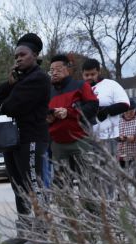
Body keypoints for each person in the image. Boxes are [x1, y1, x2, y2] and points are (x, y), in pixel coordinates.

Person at [0, 33, 51, 244]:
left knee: (34, 184)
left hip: (32, 138)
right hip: (14, 140)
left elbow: (9, 107)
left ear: (34, 55)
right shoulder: (19, 80)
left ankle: (43, 233)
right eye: (16, 56)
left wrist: (5, 101)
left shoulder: (39, 78)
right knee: (18, 186)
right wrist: (8, 85)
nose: (18, 59)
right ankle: (24, 232)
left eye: (22, 55)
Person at [46, 53, 98, 188]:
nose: (54, 73)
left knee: (88, 181)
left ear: (67, 69)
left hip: (80, 140)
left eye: (58, 69)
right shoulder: (48, 92)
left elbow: (93, 106)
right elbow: (42, 114)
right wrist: (48, 118)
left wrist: (68, 112)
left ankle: (91, 209)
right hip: (58, 144)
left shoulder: (81, 86)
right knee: (61, 184)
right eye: (51, 70)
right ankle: (65, 210)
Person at [81, 58, 130, 198]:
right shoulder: (81, 87)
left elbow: (125, 104)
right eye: (86, 75)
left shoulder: (110, 85)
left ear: (98, 72)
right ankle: (93, 205)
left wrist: (107, 110)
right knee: (89, 174)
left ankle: (109, 204)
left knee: (106, 173)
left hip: (106, 137)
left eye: (92, 74)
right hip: (86, 137)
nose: (89, 77)